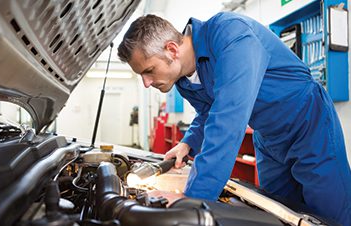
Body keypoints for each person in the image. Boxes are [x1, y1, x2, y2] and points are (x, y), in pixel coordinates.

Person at [117, 12, 351, 225]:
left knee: (330, 215)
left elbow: (227, 123)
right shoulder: (184, 81)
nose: (146, 83)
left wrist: (190, 205)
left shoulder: (231, 35)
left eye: (148, 71)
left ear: (172, 50)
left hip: (308, 124)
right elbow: (208, 112)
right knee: (278, 213)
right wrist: (187, 143)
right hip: (268, 138)